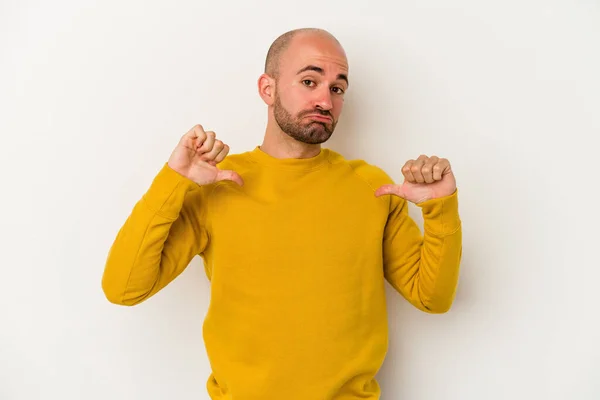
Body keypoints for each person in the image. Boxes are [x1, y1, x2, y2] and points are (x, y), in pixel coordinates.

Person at [102, 27, 462, 400]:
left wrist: (440, 208)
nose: (325, 100)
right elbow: (124, 288)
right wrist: (174, 180)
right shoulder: (219, 185)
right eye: (310, 81)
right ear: (267, 88)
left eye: (338, 88)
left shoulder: (370, 186)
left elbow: (431, 298)